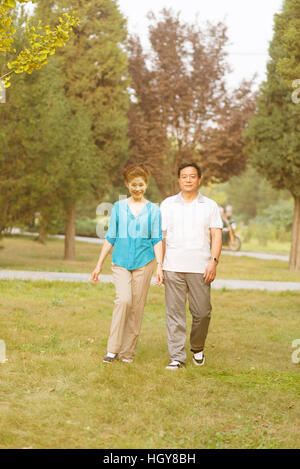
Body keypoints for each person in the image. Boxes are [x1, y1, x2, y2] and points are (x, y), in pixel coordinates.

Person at [91, 165, 163, 364]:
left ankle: (127, 353)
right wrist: (99, 265)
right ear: (127, 185)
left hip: (144, 263)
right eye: (133, 185)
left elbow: (157, 238)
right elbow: (110, 236)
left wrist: (159, 266)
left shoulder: (154, 210)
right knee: (123, 300)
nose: (137, 188)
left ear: (146, 185)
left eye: (141, 185)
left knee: (136, 307)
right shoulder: (118, 207)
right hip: (121, 262)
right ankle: (113, 350)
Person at [160, 162, 223, 370]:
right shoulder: (167, 204)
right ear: (179, 179)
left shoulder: (210, 206)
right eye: (184, 176)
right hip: (173, 267)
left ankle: (197, 348)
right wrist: (160, 266)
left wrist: (213, 261)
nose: (188, 179)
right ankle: (177, 357)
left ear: (199, 180)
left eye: (192, 176)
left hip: (201, 268)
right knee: (174, 314)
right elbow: (161, 237)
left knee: (202, 312)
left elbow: (216, 235)